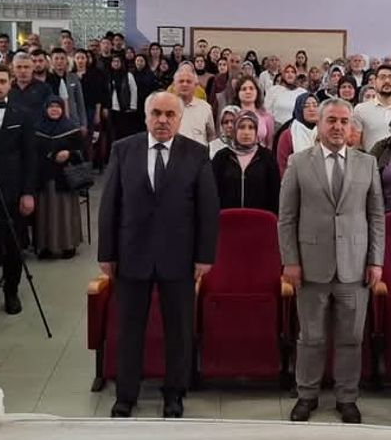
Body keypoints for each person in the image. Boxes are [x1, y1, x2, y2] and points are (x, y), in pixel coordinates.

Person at [99, 91, 219, 419]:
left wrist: (204, 256)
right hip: (131, 254)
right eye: (156, 113)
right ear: (146, 116)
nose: (162, 120)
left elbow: (207, 210)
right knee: (129, 329)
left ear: (180, 119)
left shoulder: (197, 154)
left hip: (179, 257)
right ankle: (126, 394)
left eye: (169, 115)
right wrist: (106, 253)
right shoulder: (123, 150)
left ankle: (174, 393)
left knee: (178, 331)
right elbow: (109, 205)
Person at [279, 97, 385, 425]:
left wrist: (376, 261)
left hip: (355, 265)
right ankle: (307, 394)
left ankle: (346, 397)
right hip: (311, 265)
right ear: (320, 123)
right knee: (311, 337)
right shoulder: (299, 162)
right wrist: (290, 261)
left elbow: (376, 216)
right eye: (332, 121)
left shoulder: (367, 163)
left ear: (351, 126)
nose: (338, 127)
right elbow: (287, 218)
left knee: (351, 338)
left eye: (344, 121)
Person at [0, 64, 38, 316]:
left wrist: (28, 192)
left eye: (2, 81)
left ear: (10, 83)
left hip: (13, 190)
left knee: (13, 243)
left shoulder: (22, 115)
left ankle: (12, 291)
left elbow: (31, 157)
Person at [34, 96, 85, 260]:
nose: (54, 109)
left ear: (63, 109)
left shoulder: (71, 128)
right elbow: (32, 152)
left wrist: (69, 154)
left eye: (58, 106)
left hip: (65, 179)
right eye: (51, 106)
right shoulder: (37, 129)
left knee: (65, 212)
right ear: (45, 109)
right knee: (45, 214)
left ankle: (68, 245)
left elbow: (82, 152)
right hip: (44, 178)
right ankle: (46, 246)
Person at [211, 110, 280, 214]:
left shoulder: (267, 157)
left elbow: (275, 194)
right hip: (227, 218)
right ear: (235, 130)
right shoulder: (222, 157)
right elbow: (212, 192)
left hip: (260, 219)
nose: (246, 132)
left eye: (251, 127)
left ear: (256, 131)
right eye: (241, 127)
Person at [354, 65, 391, 151]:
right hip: (370, 158)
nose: (387, 81)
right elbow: (355, 146)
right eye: (382, 77)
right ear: (375, 82)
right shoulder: (361, 109)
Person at [99, 52, 146, 144]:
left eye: (118, 61)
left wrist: (132, 106)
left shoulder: (128, 75)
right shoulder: (108, 76)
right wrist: (105, 107)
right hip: (112, 108)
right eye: (114, 61)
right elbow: (104, 92)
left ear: (121, 63)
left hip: (125, 108)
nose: (116, 63)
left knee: (125, 132)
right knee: (112, 133)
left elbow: (133, 90)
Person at [275, 92, 320, 177]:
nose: (311, 109)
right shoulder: (288, 135)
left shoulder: (325, 132)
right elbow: (282, 166)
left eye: (315, 105)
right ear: (299, 109)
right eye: (306, 106)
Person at [173, 64, 216, 146]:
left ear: (196, 86)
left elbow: (211, 135)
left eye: (188, 81)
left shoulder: (205, 107)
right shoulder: (166, 107)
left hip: (200, 152)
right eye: (181, 81)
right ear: (174, 86)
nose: (184, 84)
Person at [45, 48, 87, 130]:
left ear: (66, 61)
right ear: (51, 61)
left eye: (62, 58)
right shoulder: (47, 80)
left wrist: (83, 124)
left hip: (73, 121)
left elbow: (80, 102)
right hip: (53, 122)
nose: (59, 61)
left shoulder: (73, 77)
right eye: (56, 59)